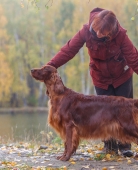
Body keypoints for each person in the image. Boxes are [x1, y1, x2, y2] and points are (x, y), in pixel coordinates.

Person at [46, 7, 138, 157]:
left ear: (111, 31)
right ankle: (110, 148)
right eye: (95, 30)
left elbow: (135, 59)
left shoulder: (120, 35)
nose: (97, 33)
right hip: (100, 78)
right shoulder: (86, 31)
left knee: (124, 112)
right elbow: (68, 50)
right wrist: (51, 65)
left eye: (102, 32)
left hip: (122, 77)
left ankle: (125, 147)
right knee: (103, 114)